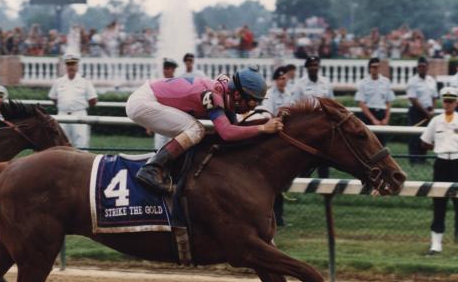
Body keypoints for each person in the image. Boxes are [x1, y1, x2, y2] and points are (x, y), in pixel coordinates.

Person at [126, 66, 284, 194]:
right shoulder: (213, 95)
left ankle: (174, 172)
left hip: (150, 98)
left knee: (197, 133)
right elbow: (228, 133)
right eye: (252, 103)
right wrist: (263, 128)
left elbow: (234, 131)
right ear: (237, 95)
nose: (254, 107)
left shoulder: (227, 92)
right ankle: (151, 169)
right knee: (196, 130)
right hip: (143, 102)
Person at [420, 87, 458, 254]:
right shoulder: (436, 121)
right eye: (445, 101)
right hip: (441, 163)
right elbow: (424, 142)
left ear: (456, 103)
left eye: (451, 101)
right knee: (439, 203)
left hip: (457, 163)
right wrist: (440, 147)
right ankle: (436, 245)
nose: (448, 104)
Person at [293, 56, 334, 178]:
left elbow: (332, 102)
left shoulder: (326, 82)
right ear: (306, 68)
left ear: (319, 67)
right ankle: (303, 185)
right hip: (307, 126)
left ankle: (325, 187)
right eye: (311, 65)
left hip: (323, 125)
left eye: (315, 65)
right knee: (306, 156)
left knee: (324, 156)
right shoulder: (300, 84)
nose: (313, 68)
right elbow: (295, 105)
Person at [264, 65, 294, 226]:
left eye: (285, 78)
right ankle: (272, 216)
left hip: (286, 139)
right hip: (273, 140)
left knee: (282, 180)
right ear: (276, 80)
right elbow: (269, 116)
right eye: (280, 78)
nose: (283, 81)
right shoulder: (269, 95)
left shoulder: (289, 94)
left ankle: (280, 217)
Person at [48, 53, 98, 149]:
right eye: (69, 64)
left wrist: (79, 106)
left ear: (77, 65)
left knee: (81, 144)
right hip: (62, 115)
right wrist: (65, 105)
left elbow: (93, 100)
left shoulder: (85, 81)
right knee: (62, 143)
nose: (71, 67)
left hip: (79, 114)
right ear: (65, 65)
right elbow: (53, 97)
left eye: (73, 64)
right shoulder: (59, 81)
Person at [355, 57, 395, 145]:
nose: (375, 69)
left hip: (381, 114)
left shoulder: (386, 82)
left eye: (377, 67)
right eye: (373, 67)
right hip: (368, 115)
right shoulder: (363, 83)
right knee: (367, 143)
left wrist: (386, 119)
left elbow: (388, 102)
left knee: (381, 143)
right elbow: (361, 103)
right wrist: (373, 120)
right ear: (369, 68)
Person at [407, 56, 438, 165]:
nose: (421, 68)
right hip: (416, 111)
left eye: (424, 66)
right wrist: (426, 112)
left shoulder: (431, 80)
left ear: (427, 67)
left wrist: (432, 110)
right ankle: (414, 160)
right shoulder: (412, 81)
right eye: (419, 66)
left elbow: (434, 97)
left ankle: (422, 159)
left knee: (426, 136)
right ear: (417, 67)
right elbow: (413, 99)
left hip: (429, 112)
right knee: (415, 136)